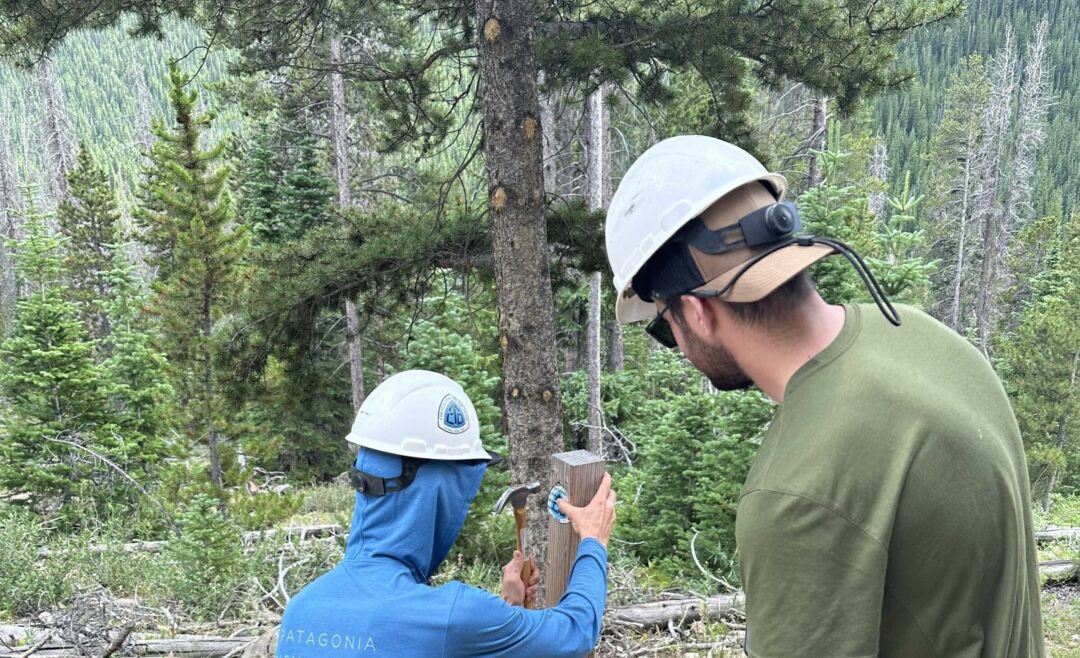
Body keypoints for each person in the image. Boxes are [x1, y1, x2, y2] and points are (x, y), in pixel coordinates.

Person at [604, 135, 1045, 657]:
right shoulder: (928, 339)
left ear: (697, 311)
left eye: (663, 328)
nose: (675, 344)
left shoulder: (794, 495)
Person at [276, 369, 616, 658]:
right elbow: (574, 630)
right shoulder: (455, 615)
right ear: (439, 493)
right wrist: (593, 541)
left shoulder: (300, 611)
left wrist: (507, 611)